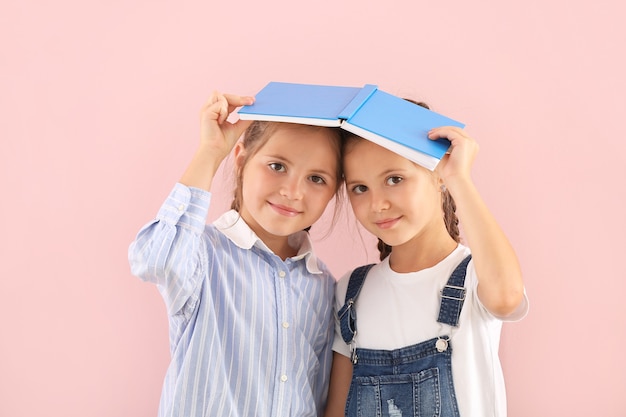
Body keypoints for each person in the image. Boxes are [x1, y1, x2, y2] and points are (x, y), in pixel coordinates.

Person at [128, 91, 345, 417]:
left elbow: (317, 395)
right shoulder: (203, 255)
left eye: (316, 178)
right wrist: (211, 153)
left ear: (333, 190)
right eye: (277, 166)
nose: (292, 191)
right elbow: (155, 257)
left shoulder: (323, 284)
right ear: (241, 158)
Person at [324, 104, 529, 417]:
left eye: (394, 179)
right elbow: (337, 410)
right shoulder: (351, 293)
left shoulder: (476, 274)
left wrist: (459, 178)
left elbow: (506, 297)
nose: (378, 204)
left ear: (437, 176)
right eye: (360, 188)